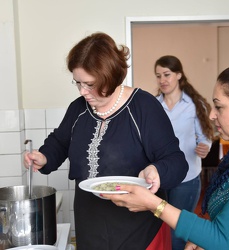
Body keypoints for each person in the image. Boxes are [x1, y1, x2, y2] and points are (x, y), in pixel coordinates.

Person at [23, 32, 189, 250]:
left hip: (139, 230)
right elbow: (60, 142)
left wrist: (157, 170)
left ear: (110, 76)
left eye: (90, 84)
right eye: (78, 83)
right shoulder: (78, 109)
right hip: (90, 225)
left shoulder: (143, 107)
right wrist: (44, 156)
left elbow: (176, 161)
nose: (83, 92)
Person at [103, 62, 229, 250]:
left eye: (219, 107)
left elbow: (223, 240)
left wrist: (152, 203)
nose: (212, 115)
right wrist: (204, 238)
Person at [154, 55, 214, 250]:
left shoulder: (195, 105)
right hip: (159, 178)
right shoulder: (153, 105)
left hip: (187, 179)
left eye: (167, 74)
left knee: (177, 231)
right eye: (158, 76)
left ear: (179, 75)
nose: (162, 80)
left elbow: (205, 136)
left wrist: (204, 146)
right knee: (158, 227)